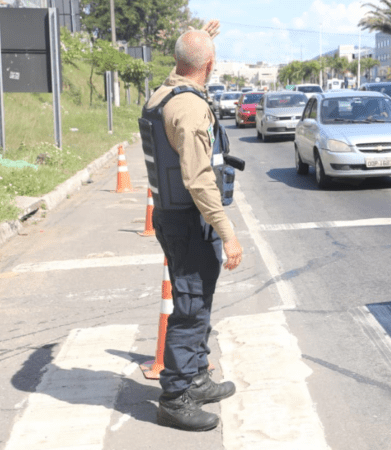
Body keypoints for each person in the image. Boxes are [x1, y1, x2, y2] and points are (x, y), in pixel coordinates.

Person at [141, 20, 243, 432]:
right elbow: (199, 179)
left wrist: (201, 38)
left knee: (196, 299)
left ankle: (197, 377)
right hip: (189, 220)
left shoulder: (165, 91)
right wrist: (228, 232)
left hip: (172, 215)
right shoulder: (189, 107)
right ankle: (176, 396)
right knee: (190, 305)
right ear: (210, 65)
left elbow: (191, 62)